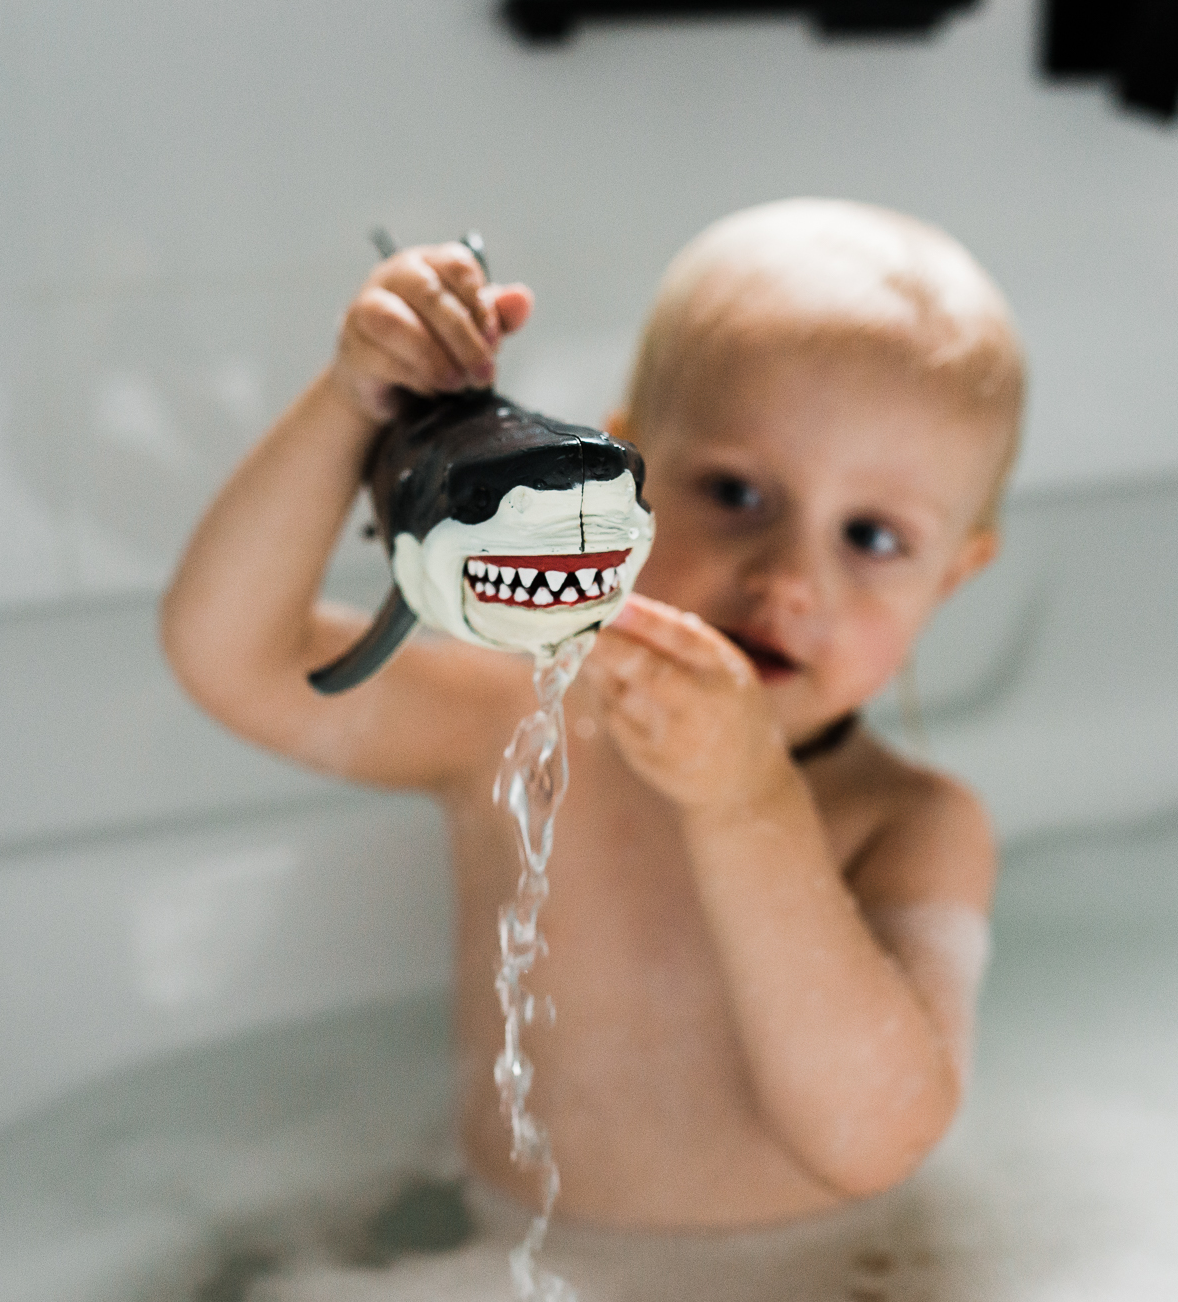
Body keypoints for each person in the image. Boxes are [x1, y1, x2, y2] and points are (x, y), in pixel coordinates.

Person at [161, 199, 1024, 1238]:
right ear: (621, 471)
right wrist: (352, 403)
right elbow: (232, 656)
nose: (789, 577)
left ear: (952, 576)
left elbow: (876, 1136)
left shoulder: (910, 823)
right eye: (737, 494)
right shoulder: (508, 715)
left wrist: (745, 805)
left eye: (873, 537)